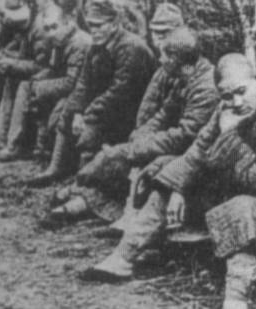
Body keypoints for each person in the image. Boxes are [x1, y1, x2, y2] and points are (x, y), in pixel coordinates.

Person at [78, 53, 256, 309]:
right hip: (247, 186)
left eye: (241, 91)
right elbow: (198, 151)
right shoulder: (227, 108)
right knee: (167, 169)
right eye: (227, 96)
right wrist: (179, 189)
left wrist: (229, 134)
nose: (236, 102)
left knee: (241, 207)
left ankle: (237, 298)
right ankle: (124, 256)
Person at [40, 26, 219, 230]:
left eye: (163, 56)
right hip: (172, 145)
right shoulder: (186, 76)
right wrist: (141, 135)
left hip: (194, 157)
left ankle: (87, 202)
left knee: (118, 159)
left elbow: (185, 136)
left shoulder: (205, 88)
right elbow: (164, 114)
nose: (159, 61)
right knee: (120, 159)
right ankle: (77, 203)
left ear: (175, 59)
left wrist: (140, 147)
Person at [28, 0, 156, 185]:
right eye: (91, 25)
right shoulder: (96, 45)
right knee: (67, 111)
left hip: (132, 113)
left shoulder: (130, 47)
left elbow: (120, 93)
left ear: (114, 24)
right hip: (107, 105)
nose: (93, 30)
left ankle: (82, 182)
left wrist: (87, 115)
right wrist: (76, 110)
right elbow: (82, 84)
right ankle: (56, 168)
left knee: (89, 134)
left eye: (99, 25)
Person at [0, 3, 92, 161]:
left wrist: (41, 86)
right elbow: (53, 68)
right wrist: (38, 79)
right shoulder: (59, 39)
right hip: (68, 85)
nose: (51, 33)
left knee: (37, 92)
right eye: (47, 28)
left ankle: (40, 149)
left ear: (67, 22)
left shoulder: (79, 43)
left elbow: (71, 82)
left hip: (81, 93)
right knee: (27, 85)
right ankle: (16, 145)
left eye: (54, 27)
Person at [0, 0, 51, 148]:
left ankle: (14, 144)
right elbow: (19, 46)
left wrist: (13, 64)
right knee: (11, 77)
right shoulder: (22, 25)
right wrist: (6, 57)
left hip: (47, 76)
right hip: (26, 67)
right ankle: (0, 134)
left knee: (21, 84)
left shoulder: (40, 29)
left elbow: (43, 67)